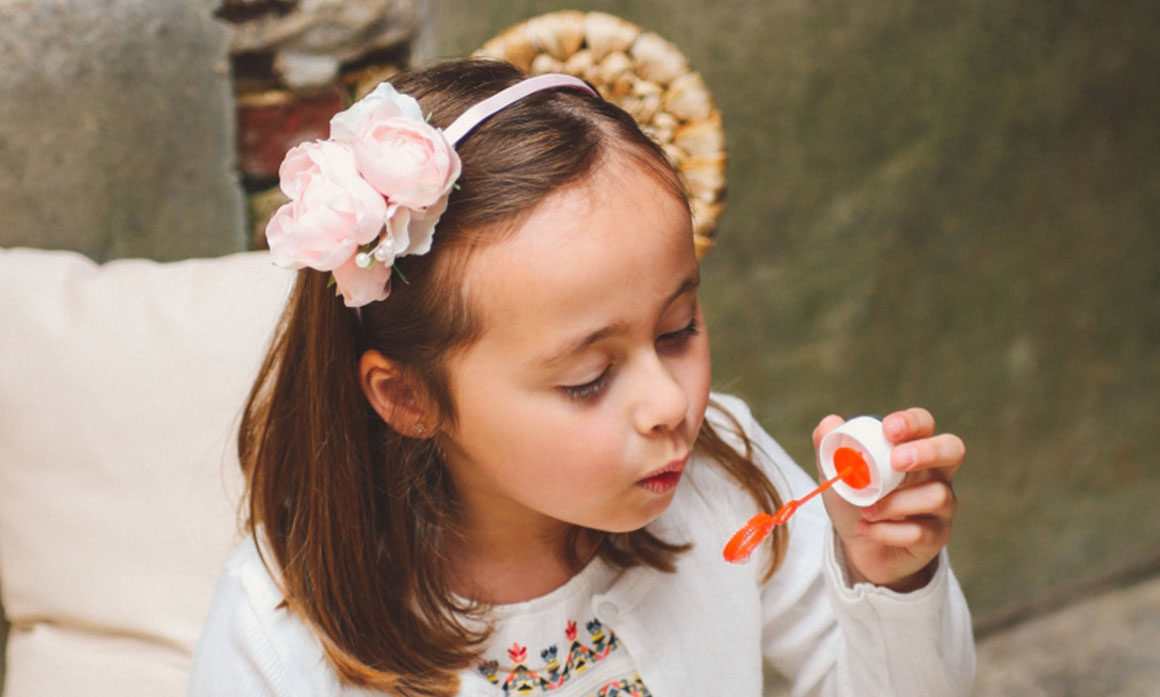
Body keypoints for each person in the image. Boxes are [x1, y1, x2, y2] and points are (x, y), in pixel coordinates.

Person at [188, 58, 974, 697]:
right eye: (589, 379)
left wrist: (889, 584)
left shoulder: (723, 475)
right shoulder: (282, 629)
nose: (671, 404)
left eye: (678, 331)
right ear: (409, 397)